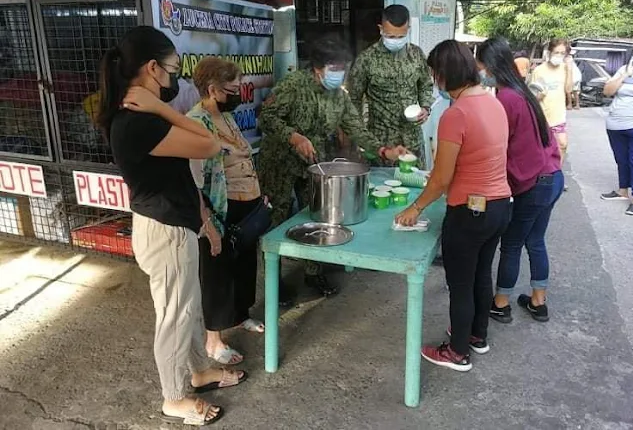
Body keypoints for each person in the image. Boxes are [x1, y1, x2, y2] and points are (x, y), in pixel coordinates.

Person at [97, 26, 246, 427]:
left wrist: (206, 224)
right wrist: (161, 108)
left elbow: (180, 176)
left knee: (188, 308)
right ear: (151, 68)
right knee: (174, 317)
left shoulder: (143, 117)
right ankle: (174, 397)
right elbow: (210, 143)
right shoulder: (138, 122)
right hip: (164, 231)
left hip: (177, 224)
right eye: (172, 69)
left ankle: (197, 371)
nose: (174, 78)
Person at [258, 34, 407, 302]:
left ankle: (313, 272)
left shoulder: (339, 96)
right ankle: (274, 282)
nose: (340, 75)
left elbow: (356, 128)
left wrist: (384, 150)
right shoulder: (293, 85)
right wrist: (294, 137)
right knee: (277, 219)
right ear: (318, 68)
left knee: (318, 216)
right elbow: (266, 118)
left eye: (343, 69)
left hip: (316, 163)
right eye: (334, 69)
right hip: (280, 160)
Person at [395, 40, 512, 372]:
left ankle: (458, 352)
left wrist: (414, 208)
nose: (434, 80)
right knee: (480, 275)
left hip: (470, 212)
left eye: (434, 73)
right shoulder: (493, 103)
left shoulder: (455, 114)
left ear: (443, 74)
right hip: (500, 206)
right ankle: (477, 335)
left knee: (460, 284)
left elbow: (441, 178)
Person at [477, 37, 564, 324]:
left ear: (489, 66)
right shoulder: (522, 92)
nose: (479, 72)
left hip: (534, 182)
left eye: (480, 66)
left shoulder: (506, 99)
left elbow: (499, 147)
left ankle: (501, 303)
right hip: (552, 177)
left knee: (512, 243)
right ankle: (538, 301)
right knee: (536, 240)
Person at [187, 57, 266, 366]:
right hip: (221, 208)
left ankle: (239, 315)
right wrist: (207, 222)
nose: (239, 93)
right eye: (233, 88)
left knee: (244, 265)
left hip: (247, 204)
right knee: (217, 274)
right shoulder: (195, 123)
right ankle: (213, 340)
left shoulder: (224, 115)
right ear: (213, 89)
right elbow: (194, 180)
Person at [347, 4, 433, 163]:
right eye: (391, 36)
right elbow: (353, 101)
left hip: (412, 140)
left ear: (408, 29)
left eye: (401, 36)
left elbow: (426, 84)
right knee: (381, 186)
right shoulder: (366, 60)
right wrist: (359, 139)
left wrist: (426, 108)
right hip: (381, 144)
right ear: (381, 29)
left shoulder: (416, 54)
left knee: (416, 185)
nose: (396, 41)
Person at [600, 41, 633, 216]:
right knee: (621, 160)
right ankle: (622, 190)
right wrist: (624, 76)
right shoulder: (624, 69)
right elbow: (607, 91)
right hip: (615, 124)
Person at [530, 39, 573, 165]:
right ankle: (544, 177)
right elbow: (532, 97)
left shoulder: (565, 69)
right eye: (556, 52)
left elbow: (569, 90)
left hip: (558, 116)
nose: (559, 56)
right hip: (542, 117)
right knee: (543, 150)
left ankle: (556, 175)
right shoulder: (539, 71)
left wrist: (569, 69)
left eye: (562, 53)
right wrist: (540, 95)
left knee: (563, 144)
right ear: (549, 52)